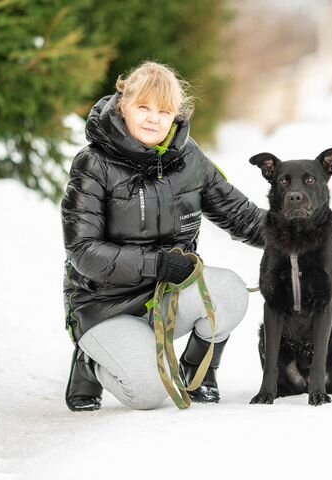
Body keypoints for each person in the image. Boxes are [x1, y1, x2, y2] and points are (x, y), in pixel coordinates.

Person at [61, 61, 264, 411]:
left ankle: (196, 371)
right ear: (123, 105)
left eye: (164, 110)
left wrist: (311, 243)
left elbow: (242, 216)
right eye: (144, 107)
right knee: (149, 393)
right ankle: (91, 362)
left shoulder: (189, 159)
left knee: (229, 291)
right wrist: (157, 264)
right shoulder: (93, 164)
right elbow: (84, 251)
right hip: (105, 307)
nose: (154, 118)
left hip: (166, 298)